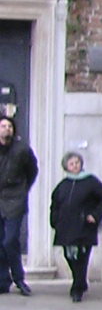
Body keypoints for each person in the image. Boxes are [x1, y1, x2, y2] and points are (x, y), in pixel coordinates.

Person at [50, 151, 102, 303]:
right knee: (69, 256)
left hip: (84, 226)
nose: (75, 166)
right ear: (66, 166)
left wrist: (95, 215)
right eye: (71, 164)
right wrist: (55, 221)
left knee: (82, 258)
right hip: (66, 227)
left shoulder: (90, 181)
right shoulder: (63, 185)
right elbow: (55, 204)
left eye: (77, 163)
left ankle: (77, 288)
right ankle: (81, 281)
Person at [0, 115, 39, 295]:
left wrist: (23, 189)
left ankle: (19, 278)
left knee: (10, 240)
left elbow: (32, 170)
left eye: (9, 126)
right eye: (3, 126)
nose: (6, 129)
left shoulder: (22, 149)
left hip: (14, 200)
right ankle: (2, 280)